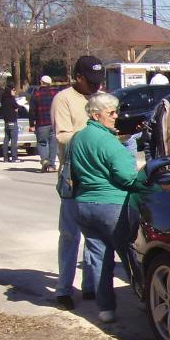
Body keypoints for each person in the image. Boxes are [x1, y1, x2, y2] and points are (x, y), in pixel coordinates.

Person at [70, 92, 149, 324]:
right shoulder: (108, 142)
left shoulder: (78, 138)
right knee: (130, 255)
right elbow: (127, 177)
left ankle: (105, 308)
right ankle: (146, 297)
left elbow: (72, 171)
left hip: (84, 205)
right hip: (112, 205)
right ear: (96, 115)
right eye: (111, 112)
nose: (116, 116)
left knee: (98, 258)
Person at [52, 55, 105, 310]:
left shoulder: (100, 98)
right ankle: (63, 288)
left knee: (94, 234)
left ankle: (90, 285)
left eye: (99, 81)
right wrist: (91, 136)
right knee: (70, 234)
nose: (96, 86)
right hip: (73, 176)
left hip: (97, 176)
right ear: (78, 77)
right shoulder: (64, 99)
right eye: (91, 81)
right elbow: (62, 136)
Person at [29, 75, 60, 172]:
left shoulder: (36, 94)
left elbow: (32, 111)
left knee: (42, 143)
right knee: (53, 144)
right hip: (54, 122)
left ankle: (45, 160)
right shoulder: (56, 93)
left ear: (41, 82)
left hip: (41, 123)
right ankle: (52, 165)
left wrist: (31, 124)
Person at [0, 79, 21, 163]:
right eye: (14, 90)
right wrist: (17, 108)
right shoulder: (11, 99)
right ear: (10, 90)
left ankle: (5, 157)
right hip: (12, 121)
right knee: (14, 140)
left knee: (6, 140)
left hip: (6, 122)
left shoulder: (3, 100)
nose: (14, 92)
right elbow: (17, 106)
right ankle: (14, 157)